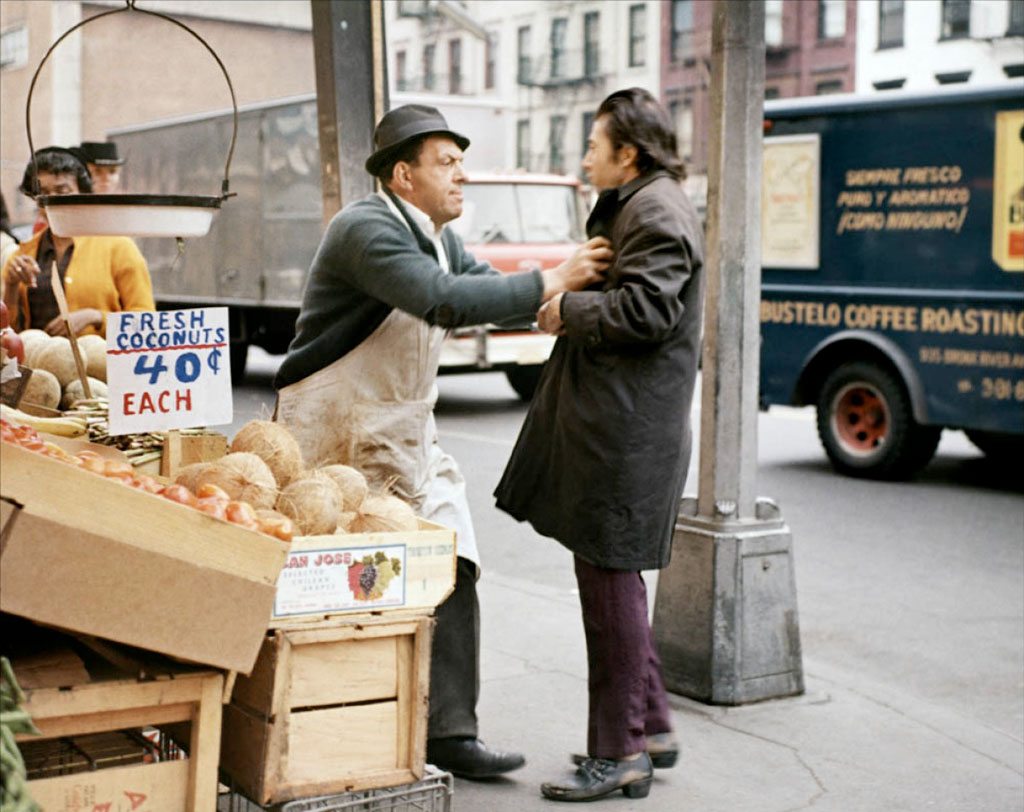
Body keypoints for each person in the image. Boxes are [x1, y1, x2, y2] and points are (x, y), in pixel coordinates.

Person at [273, 104, 612, 780]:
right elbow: (440, 299)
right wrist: (553, 278)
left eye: (461, 162)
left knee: (452, 562)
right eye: (446, 163)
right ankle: (326, 730)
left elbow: (478, 284)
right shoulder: (364, 229)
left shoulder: (433, 233)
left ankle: (451, 730)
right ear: (403, 174)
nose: (462, 176)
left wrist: (557, 310)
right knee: (346, 590)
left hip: (402, 430)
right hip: (333, 433)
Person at [494, 87, 706, 803]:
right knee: (609, 576)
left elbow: (646, 311)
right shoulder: (644, 202)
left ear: (629, 152)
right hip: (618, 423)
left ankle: (619, 754)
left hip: (627, 432)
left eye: (594, 145)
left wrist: (565, 309)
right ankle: (650, 725)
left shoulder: (655, 207)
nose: (584, 157)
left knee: (610, 582)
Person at [2, 147, 154, 337]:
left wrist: (96, 317)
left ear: (83, 192)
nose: (51, 201)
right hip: (40, 365)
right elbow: (9, 334)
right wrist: (11, 285)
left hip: (101, 364)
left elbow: (147, 322)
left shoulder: (119, 247)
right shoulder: (23, 254)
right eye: (42, 193)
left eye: (62, 191)